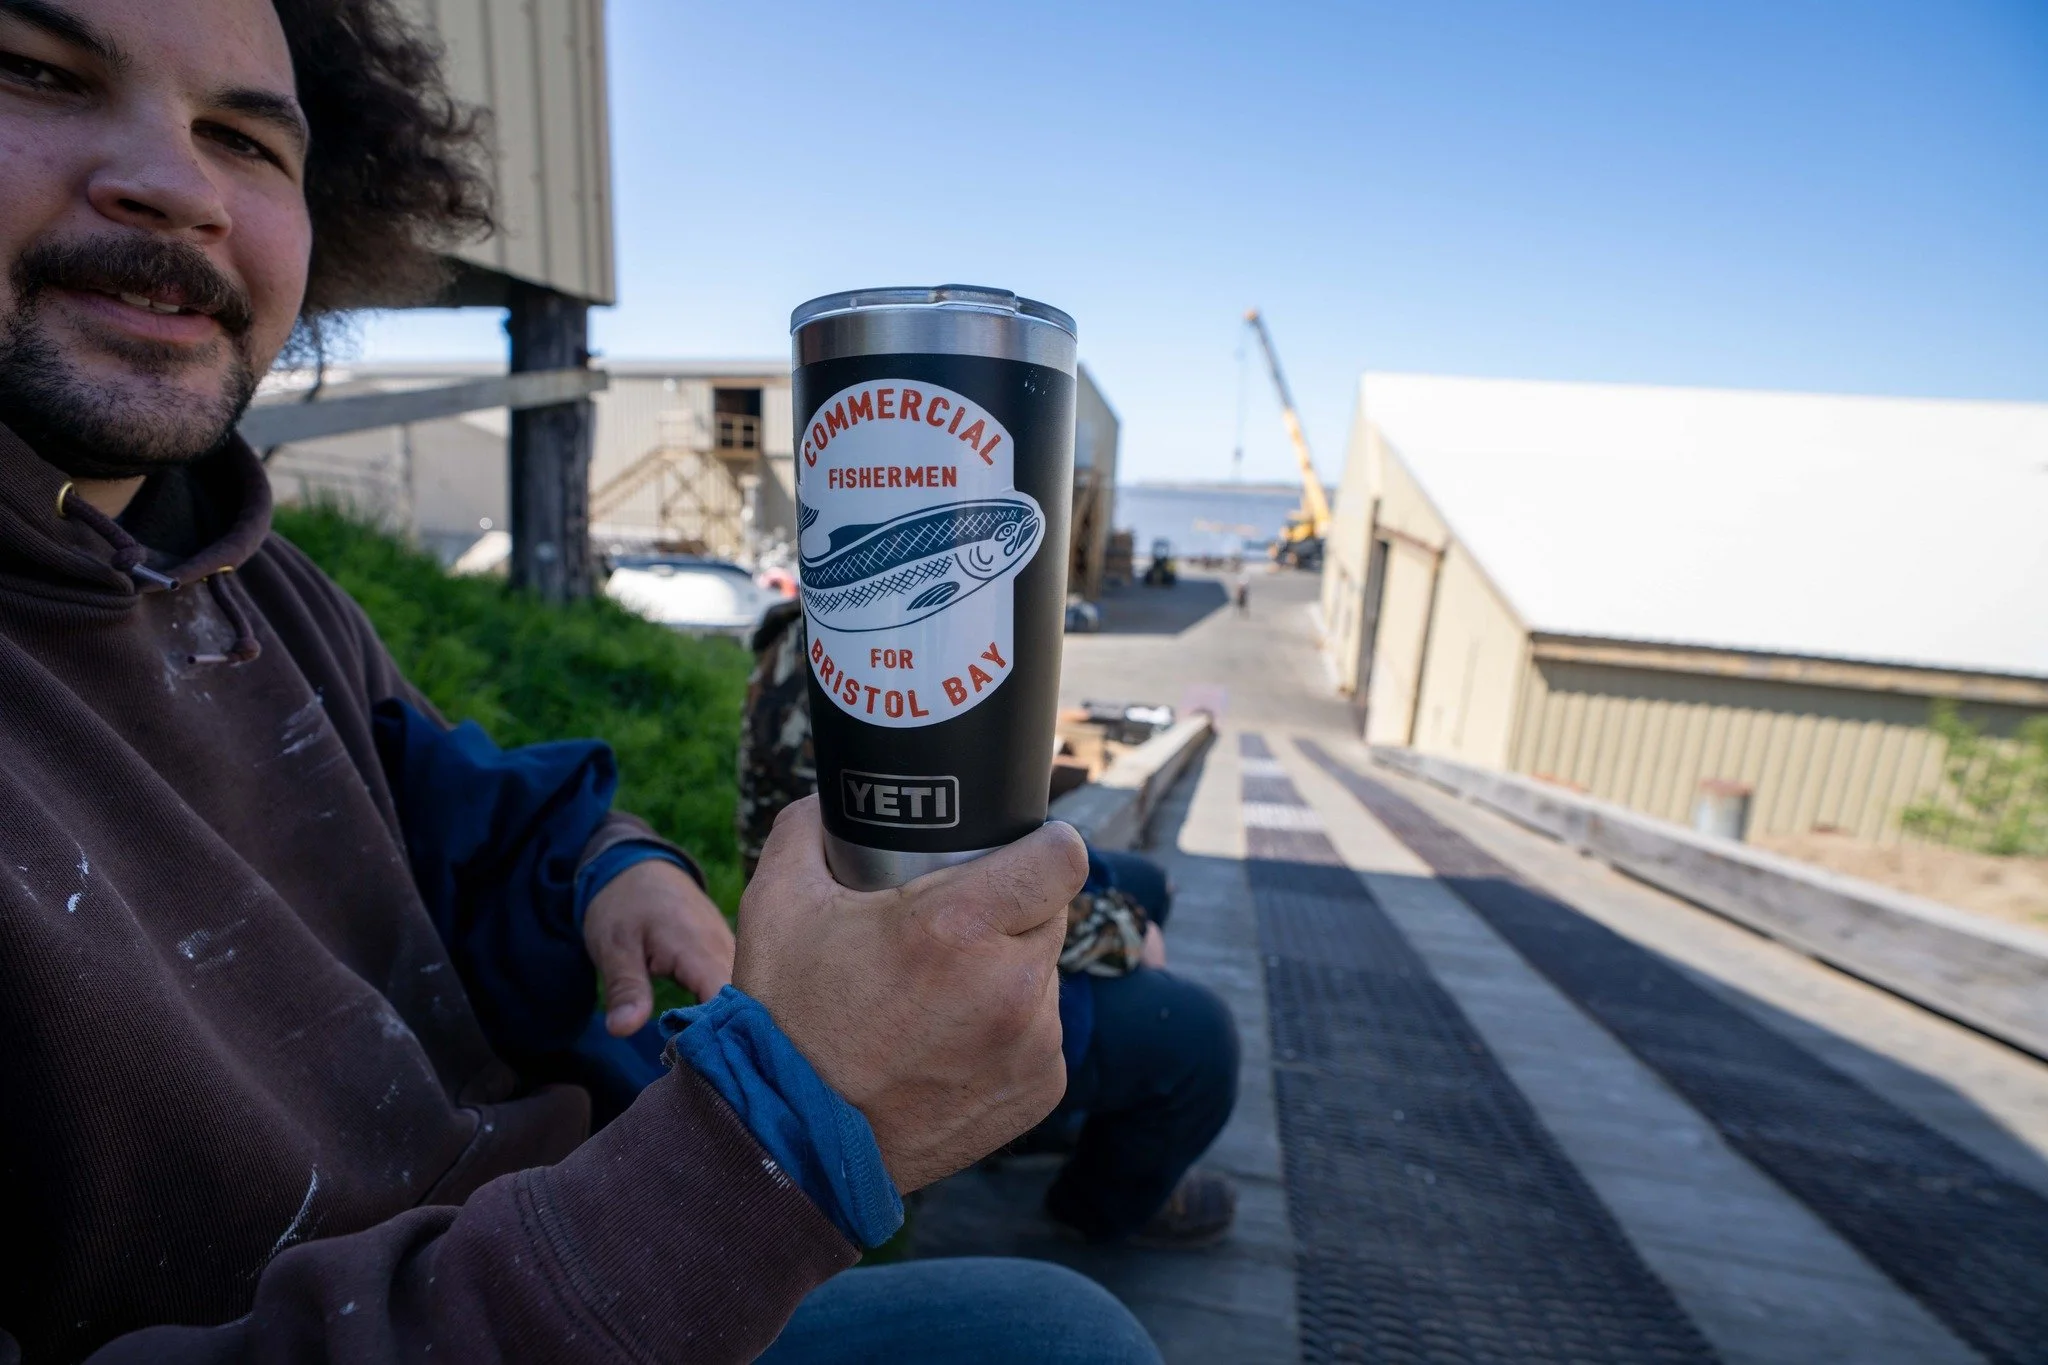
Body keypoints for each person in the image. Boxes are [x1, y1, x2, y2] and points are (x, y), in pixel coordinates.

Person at [0, 1, 1160, 1361]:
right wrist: (770, 1144)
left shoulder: (249, 574)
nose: (182, 186)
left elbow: (465, 807)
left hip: (571, 1227)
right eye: (36, 72)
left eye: (247, 140)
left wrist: (612, 870)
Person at [739, 601, 1242, 1248]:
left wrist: (1115, 900)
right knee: (1203, 1041)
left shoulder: (832, 616)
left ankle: (1047, 1121)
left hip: (919, 889)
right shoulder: (878, 652)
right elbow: (915, 895)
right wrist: (1119, 929)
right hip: (888, 970)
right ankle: (1094, 1206)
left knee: (1139, 881)